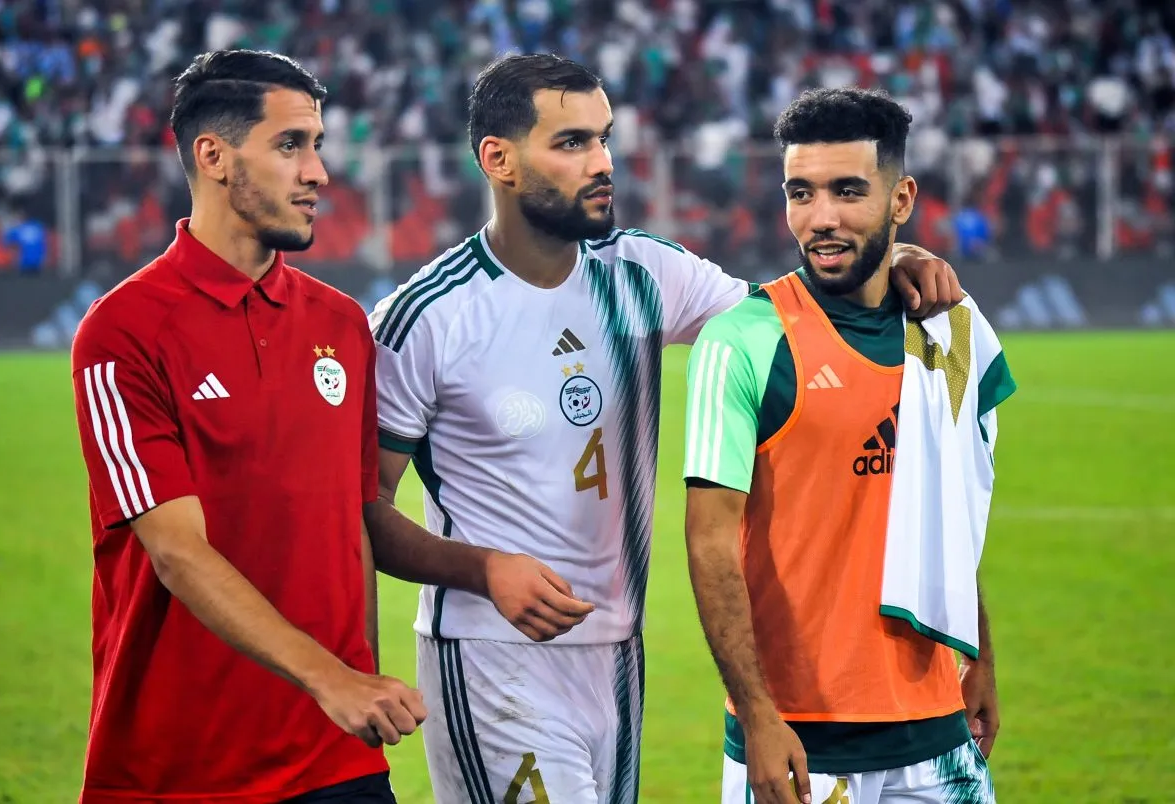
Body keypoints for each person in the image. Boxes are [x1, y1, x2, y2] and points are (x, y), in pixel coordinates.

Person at [367, 55, 966, 804]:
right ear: (499, 160)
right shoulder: (425, 317)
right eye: (572, 143)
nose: (603, 162)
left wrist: (893, 251)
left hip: (619, 653)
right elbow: (364, 509)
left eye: (604, 138)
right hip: (491, 654)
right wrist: (482, 569)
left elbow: (789, 322)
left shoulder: (643, 271)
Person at [70, 49, 572, 804]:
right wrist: (330, 678)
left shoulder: (340, 325)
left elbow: (360, 516)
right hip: (181, 769)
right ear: (213, 156)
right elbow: (176, 552)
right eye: (289, 145)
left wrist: (483, 568)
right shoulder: (124, 332)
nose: (318, 173)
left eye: (317, 145)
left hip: (337, 759)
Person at [682, 87, 1017, 804]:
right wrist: (757, 715)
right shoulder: (743, 341)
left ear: (901, 200)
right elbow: (710, 544)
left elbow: (948, 513)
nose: (821, 217)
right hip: (805, 739)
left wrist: (979, 654)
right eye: (800, 193)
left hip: (938, 733)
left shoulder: (948, 335)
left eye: (848, 191)